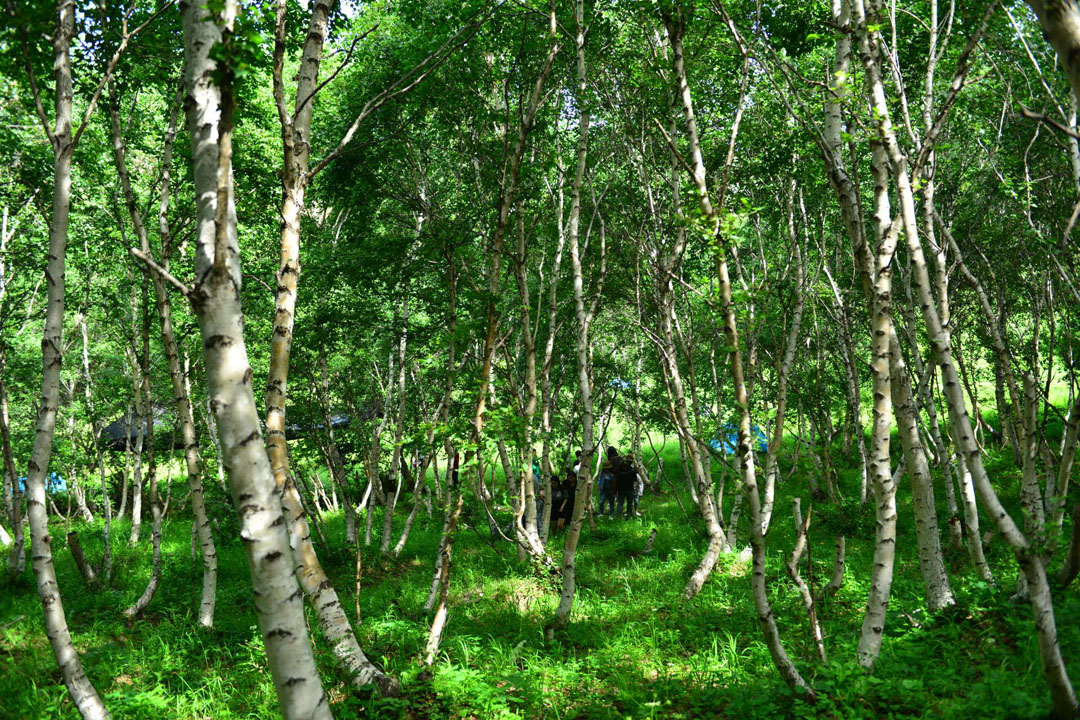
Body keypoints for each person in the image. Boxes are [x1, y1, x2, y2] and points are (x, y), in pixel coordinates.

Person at [614, 452, 637, 518]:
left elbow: (616, 477)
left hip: (620, 488)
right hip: (630, 488)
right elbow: (635, 480)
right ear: (631, 462)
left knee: (620, 502)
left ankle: (618, 516)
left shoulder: (619, 468)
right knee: (629, 503)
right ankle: (629, 516)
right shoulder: (632, 470)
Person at [597, 446, 617, 518]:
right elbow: (599, 479)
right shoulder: (602, 473)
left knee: (611, 502)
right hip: (603, 489)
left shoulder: (611, 475)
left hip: (610, 490)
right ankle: (600, 513)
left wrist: (614, 490)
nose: (606, 470)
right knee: (601, 501)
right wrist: (598, 485)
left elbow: (614, 483)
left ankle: (611, 514)